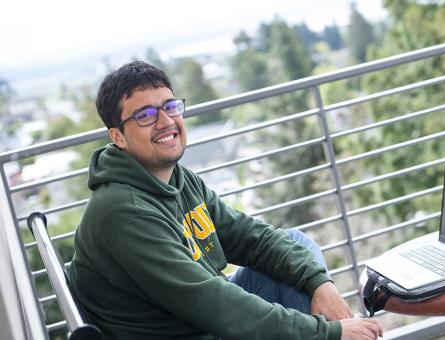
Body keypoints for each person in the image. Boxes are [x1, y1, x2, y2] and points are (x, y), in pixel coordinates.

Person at [69, 61, 382, 340]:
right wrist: (330, 332)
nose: (165, 121)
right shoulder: (124, 215)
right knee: (309, 307)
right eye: (146, 115)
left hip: (198, 318)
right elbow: (215, 304)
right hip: (193, 326)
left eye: (171, 106)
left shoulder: (176, 178)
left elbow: (251, 239)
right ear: (118, 136)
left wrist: (320, 284)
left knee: (297, 247)